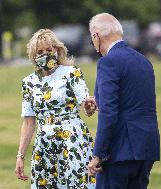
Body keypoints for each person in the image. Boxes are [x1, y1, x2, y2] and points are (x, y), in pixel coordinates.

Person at [15, 29, 97, 188]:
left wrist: (89, 107)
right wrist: (20, 155)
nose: (45, 54)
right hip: (44, 144)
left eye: (48, 49)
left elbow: (85, 107)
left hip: (72, 141)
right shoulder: (29, 82)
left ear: (57, 50)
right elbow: (28, 122)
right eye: (40, 51)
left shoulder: (72, 73)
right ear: (33, 55)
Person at [86, 13, 160, 189]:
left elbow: (109, 114)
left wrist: (98, 154)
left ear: (96, 36)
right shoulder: (144, 61)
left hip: (120, 149)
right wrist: (98, 100)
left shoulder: (108, 62)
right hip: (146, 147)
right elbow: (134, 99)